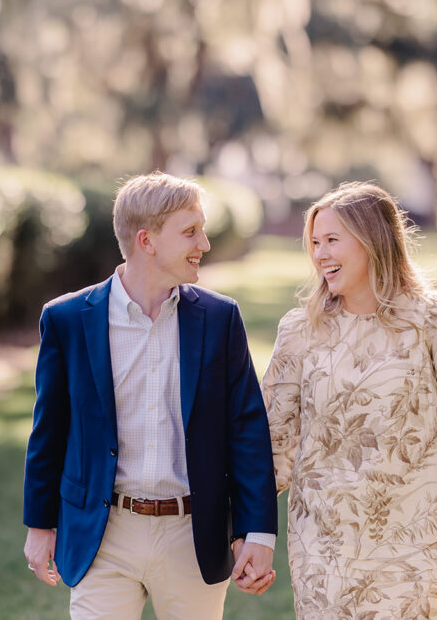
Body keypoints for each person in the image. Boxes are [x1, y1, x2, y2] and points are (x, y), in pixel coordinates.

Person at [22, 172, 278, 619]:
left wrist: (257, 531)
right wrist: (40, 524)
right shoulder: (67, 320)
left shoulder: (220, 318)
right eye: (191, 232)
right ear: (147, 241)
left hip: (191, 532)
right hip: (104, 534)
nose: (205, 243)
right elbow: (50, 428)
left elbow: (247, 429)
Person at [263, 182, 437, 618]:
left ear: (373, 240)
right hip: (327, 550)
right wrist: (246, 531)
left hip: (424, 540)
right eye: (315, 243)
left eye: (333, 240)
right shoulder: (300, 331)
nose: (320, 254)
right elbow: (272, 443)